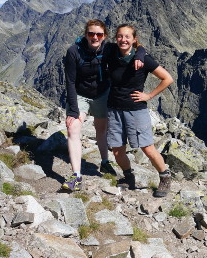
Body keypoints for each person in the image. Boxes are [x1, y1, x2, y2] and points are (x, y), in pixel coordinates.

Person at [62, 19, 145, 192]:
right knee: (73, 128)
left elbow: (134, 46)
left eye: (99, 34)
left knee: (101, 129)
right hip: (80, 95)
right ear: (85, 34)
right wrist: (73, 110)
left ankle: (105, 162)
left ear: (105, 36)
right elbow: (69, 81)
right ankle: (76, 176)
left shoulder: (109, 48)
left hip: (102, 94)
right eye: (91, 33)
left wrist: (140, 55)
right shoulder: (73, 52)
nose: (95, 37)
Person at [107, 23, 174, 197]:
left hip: (136, 110)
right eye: (120, 36)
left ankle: (165, 177)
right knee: (117, 150)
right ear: (116, 38)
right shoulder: (110, 52)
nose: (123, 39)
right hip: (114, 109)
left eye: (127, 36)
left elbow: (167, 78)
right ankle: (128, 177)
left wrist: (149, 95)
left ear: (134, 39)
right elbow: (89, 43)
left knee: (147, 148)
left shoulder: (143, 59)